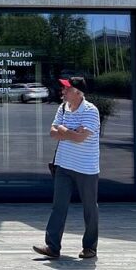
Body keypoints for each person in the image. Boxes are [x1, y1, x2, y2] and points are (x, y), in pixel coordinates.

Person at [33, 76, 101, 260]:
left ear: (78, 92)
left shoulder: (90, 111)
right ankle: (52, 247)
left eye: (67, 89)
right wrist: (70, 132)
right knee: (58, 206)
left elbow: (80, 138)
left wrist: (64, 131)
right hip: (63, 165)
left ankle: (90, 247)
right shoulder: (62, 107)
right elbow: (52, 133)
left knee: (89, 208)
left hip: (86, 167)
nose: (63, 91)